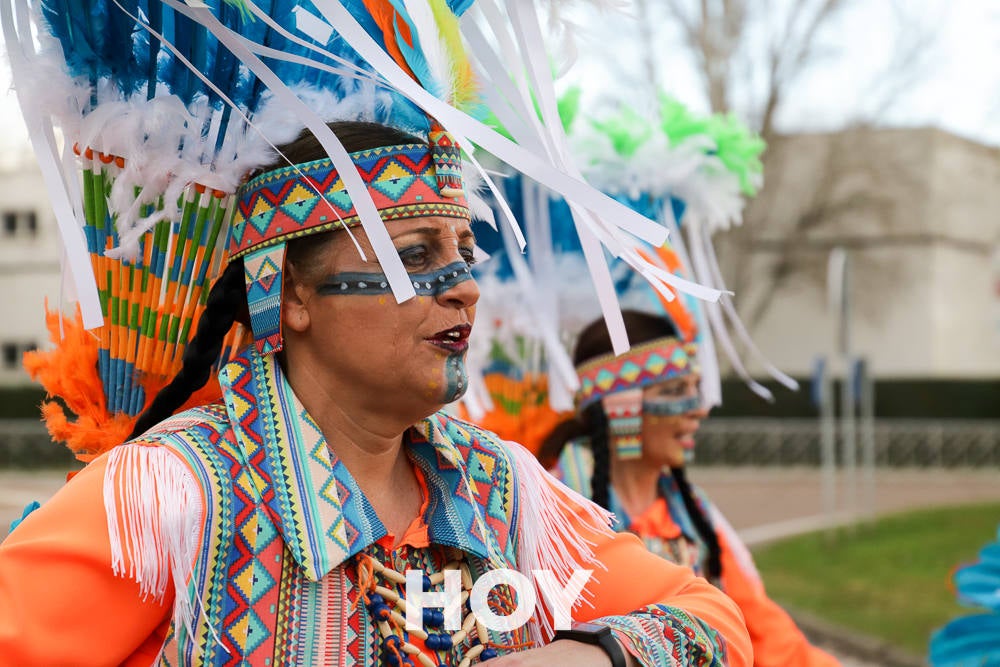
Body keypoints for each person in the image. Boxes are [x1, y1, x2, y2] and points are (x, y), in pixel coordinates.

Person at [0, 121, 755, 666]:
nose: (461, 286)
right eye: (415, 255)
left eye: (464, 253)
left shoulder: (503, 488)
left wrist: (589, 654)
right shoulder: (174, 494)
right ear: (292, 294)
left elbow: (714, 619)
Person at [539, 309, 840, 667]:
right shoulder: (551, 508)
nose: (699, 410)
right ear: (620, 406)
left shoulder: (692, 512)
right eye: (675, 390)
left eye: (696, 389)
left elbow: (765, 635)